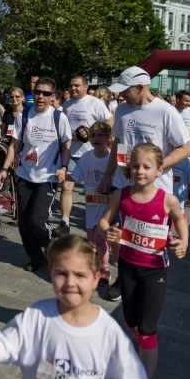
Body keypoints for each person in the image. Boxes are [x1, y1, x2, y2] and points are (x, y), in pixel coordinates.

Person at [0, 235, 147, 379]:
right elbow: (9, 344)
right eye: (61, 273)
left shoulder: (108, 332)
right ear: (51, 274)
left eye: (80, 275)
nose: (70, 282)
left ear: (96, 279)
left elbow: (132, 375)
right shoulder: (38, 316)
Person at [97, 66, 190, 303]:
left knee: (148, 240)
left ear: (141, 87)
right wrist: (108, 176)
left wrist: (158, 168)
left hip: (155, 190)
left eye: (125, 90)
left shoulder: (166, 112)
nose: (121, 95)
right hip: (123, 184)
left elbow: (186, 147)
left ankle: (150, 279)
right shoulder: (122, 110)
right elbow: (117, 144)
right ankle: (123, 274)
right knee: (116, 235)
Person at [99, 143, 188, 379]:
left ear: (159, 170)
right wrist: (108, 231)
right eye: (135, 165)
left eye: (147, 167)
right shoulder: (121, 194)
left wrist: (184, 241)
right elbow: (103, 221)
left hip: (155, 271)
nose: (140, 170)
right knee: (130, 322)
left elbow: (180, 220)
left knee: (147, 328)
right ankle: (141, 349)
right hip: (127, 266)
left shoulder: (167, 200)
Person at [0, 77, 72, 272]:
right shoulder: (23, 116)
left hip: (47, 177)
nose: (41, 96)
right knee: (23, 222)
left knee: (37, 220)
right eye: (38, 92)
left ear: (52, 96)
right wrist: (5, 168)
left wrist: (63, 167)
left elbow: (66, 145)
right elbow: (15, 145)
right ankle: (36, 258)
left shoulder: (59, 117)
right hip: (24, 174)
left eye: (46, 93)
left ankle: (54, 247)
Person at [58, 75, 113, 237]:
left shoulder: (95, 103)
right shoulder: (67, 105)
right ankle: (65, 222)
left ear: (86, 87)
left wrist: (93, 130)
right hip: (71, 152)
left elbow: (110, 121)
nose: (73, 88)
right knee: (66, 187)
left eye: (76, 85)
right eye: (71, 85)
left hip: (92, 154)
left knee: (97, 190)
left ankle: (100, 222)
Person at [63, 122, 112, 287]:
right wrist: (63, 176)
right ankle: (100, 259)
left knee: (100, 238)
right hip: (91, 205)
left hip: (108, 206)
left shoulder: (113, 159)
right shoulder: (86, 157)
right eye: (93, 135)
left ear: (109, 137)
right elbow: (76, 176)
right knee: (92, 237)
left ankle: (104, 271)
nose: (96, 139)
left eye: (100, 135)